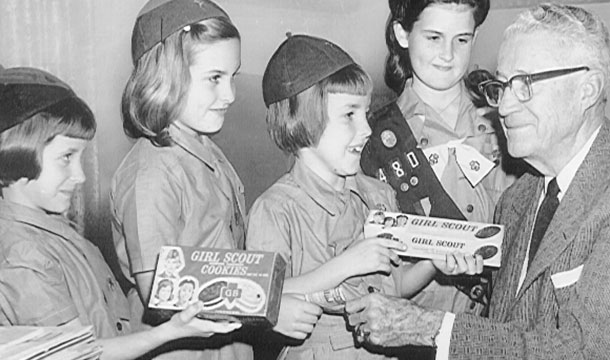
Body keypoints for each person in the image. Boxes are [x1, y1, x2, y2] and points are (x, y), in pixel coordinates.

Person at [347, 3, 610, 358]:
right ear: (402, 34)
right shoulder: (520, 199)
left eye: (526, 84)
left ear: (588, 89)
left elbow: (586, 348)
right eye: (504, 86)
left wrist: (432, 328)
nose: (502, 107)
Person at [247, 34, 483, 359]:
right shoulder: (274, 211)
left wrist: (433, 261)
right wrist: (346, 264)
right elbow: (257, 296)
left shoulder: (378, 194)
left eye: (365, 113)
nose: (367, 129)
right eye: (349, 115)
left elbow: (395, 286)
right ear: (302, 119)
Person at [0, 66, 242, 360]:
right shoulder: (22, 254)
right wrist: (171, 331)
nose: (80, 176)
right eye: (66, 158)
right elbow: (80, 355)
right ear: (16, 152)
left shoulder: (55, 233)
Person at [110, 0, 253, 358]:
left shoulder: (205, 149)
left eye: (232, 77)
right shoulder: (151, 172)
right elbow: (159, 290)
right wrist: (270, 305)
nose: (230, 95)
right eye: (215, 79)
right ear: (164, 77)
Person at [360, 0, 517, 315]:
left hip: (497, 326)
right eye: (434, 37)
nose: (448, 54)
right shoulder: (372, 137)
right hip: (415, 331)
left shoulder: (508, 121)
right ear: (402, 34)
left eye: (462, 39)